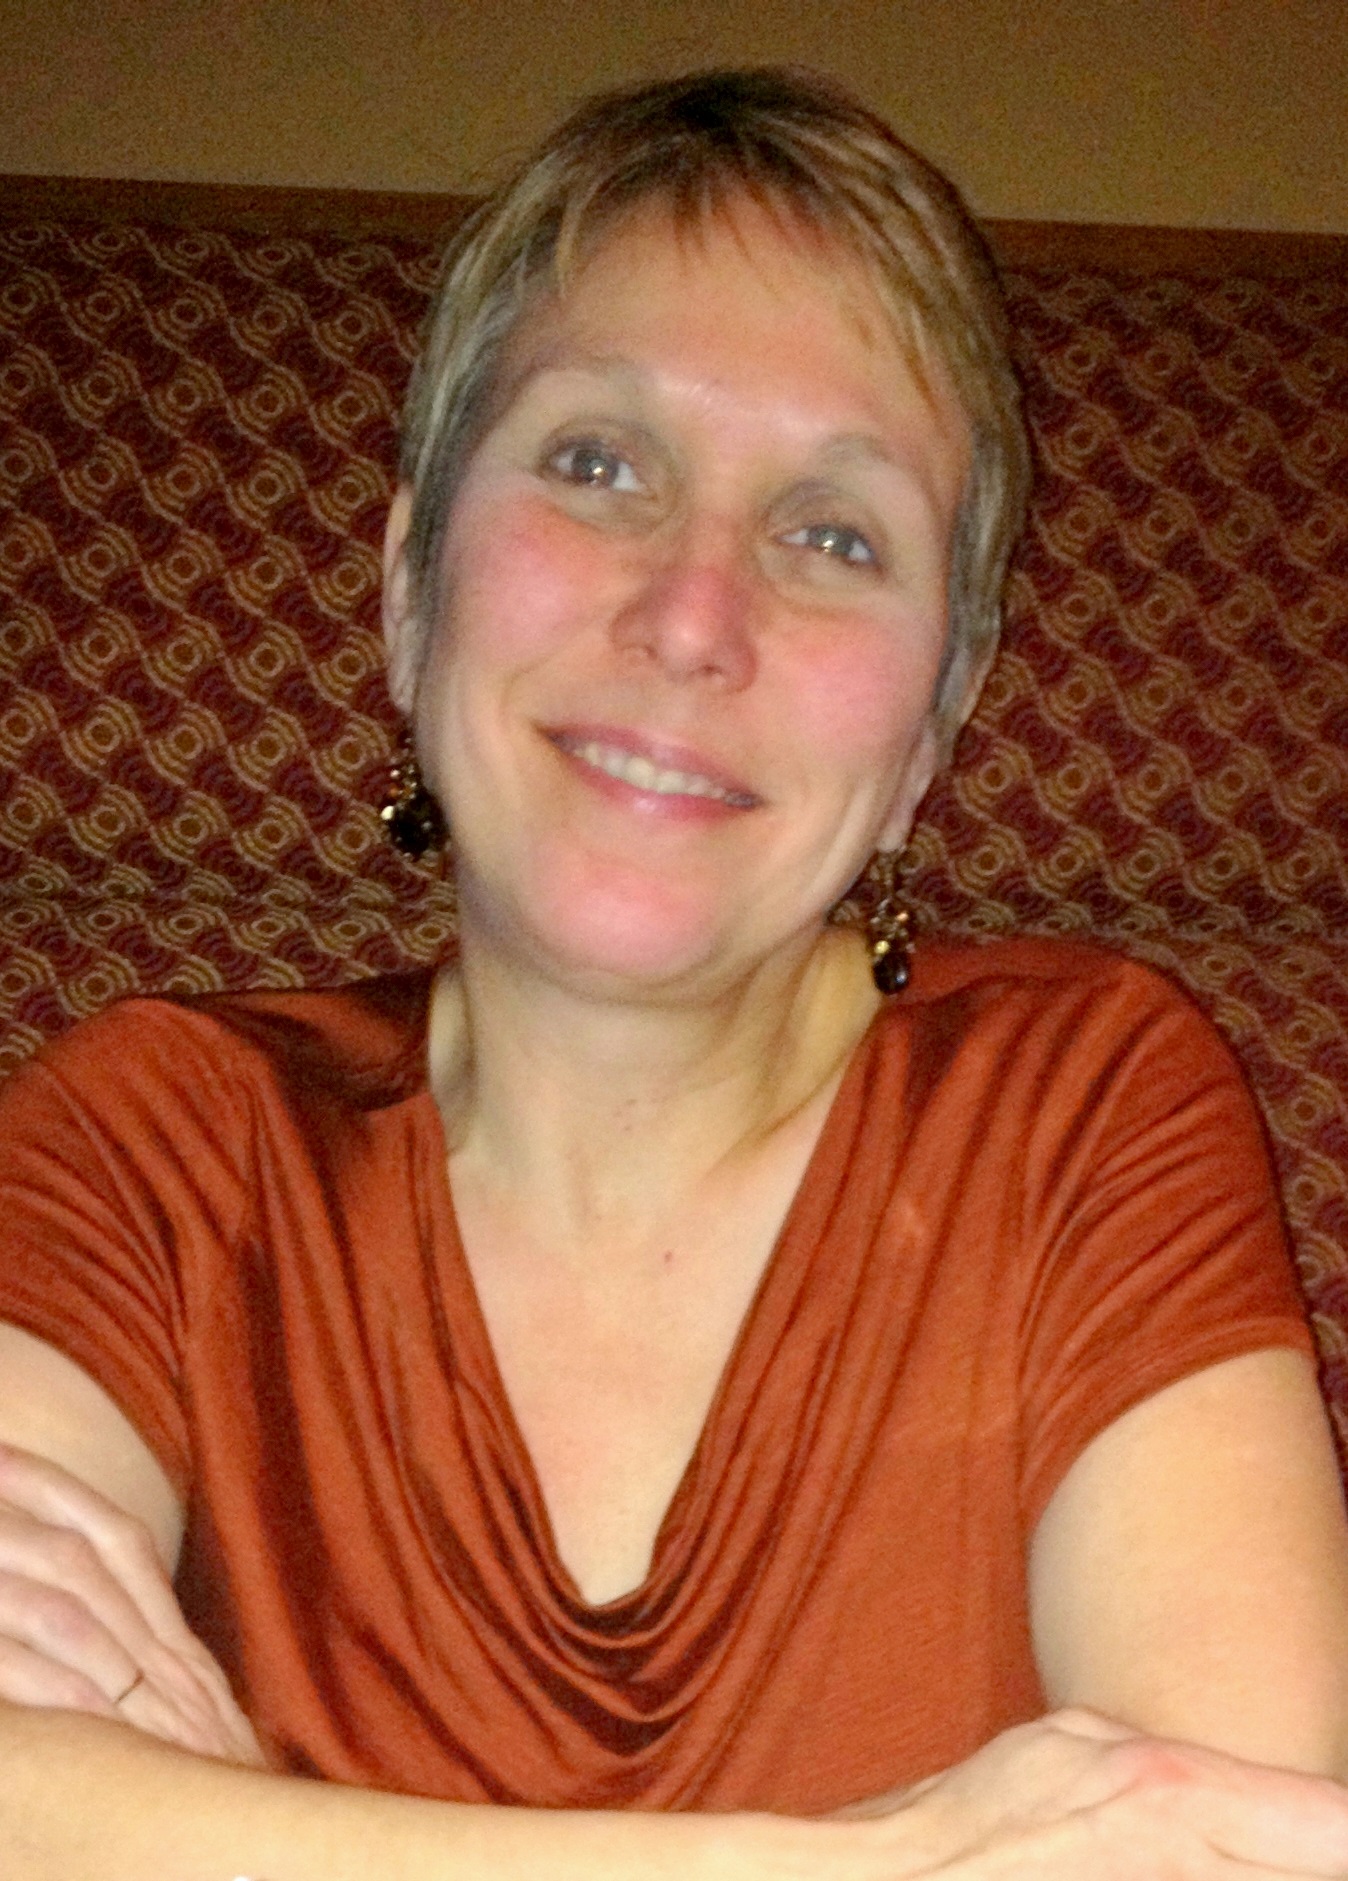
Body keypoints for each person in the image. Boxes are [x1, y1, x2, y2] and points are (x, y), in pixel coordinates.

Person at [0, 65, 1347, 1881]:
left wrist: (244, 1830)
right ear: (408, 585)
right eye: (599, 463)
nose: (696, 616)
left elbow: (1221, 1855)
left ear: (936, 725)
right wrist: (894, 1861)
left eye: (834, 533)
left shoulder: (1087, 1106)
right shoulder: (146, 1142)